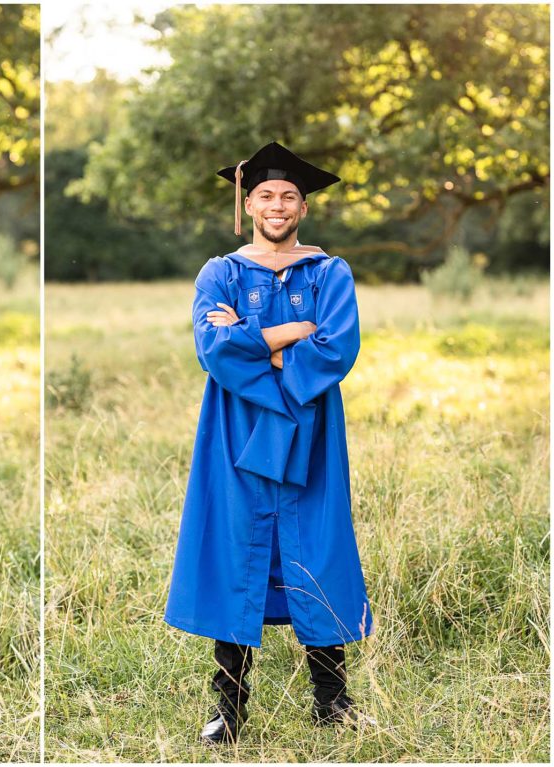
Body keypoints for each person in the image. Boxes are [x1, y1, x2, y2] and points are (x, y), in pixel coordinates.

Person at [164, 142, 375, 744]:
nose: (276, 205)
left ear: (303, 207)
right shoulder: (220, 273)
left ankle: (332, 701)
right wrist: (288, 337)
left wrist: (253, 338)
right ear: (248, 204)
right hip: (237, 434)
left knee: (317, 545)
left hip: (309, 432)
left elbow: (338, 347)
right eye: (264, 195)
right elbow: (214, 350)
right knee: (238, 547)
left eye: (288, 196)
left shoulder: (329, 271)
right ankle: (229, 710)